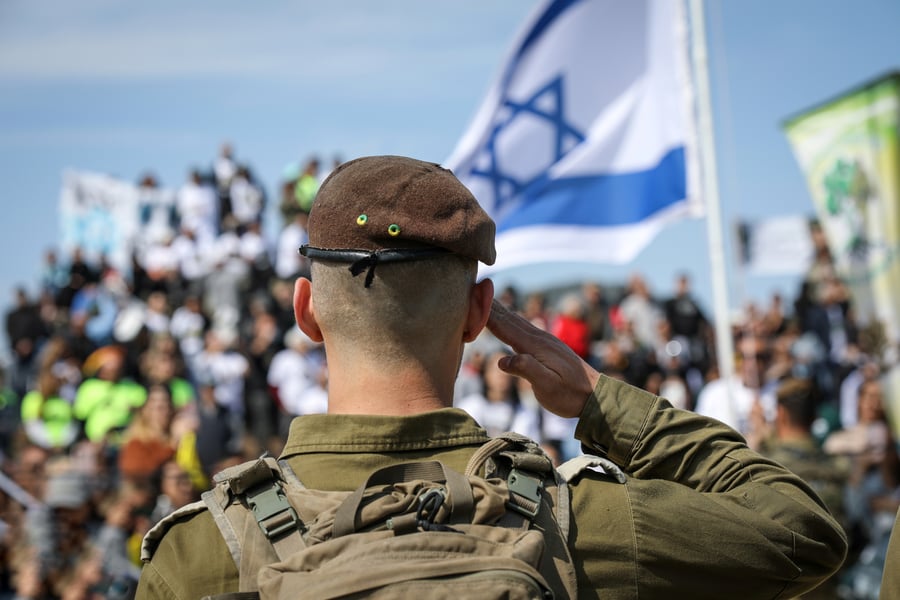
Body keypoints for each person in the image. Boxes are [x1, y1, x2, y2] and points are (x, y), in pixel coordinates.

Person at [137, 155, 846, 599]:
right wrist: (603, 403)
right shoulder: (579, 522)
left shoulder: (201, 554)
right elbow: (806, 534)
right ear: (480, 312)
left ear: (306, 311)